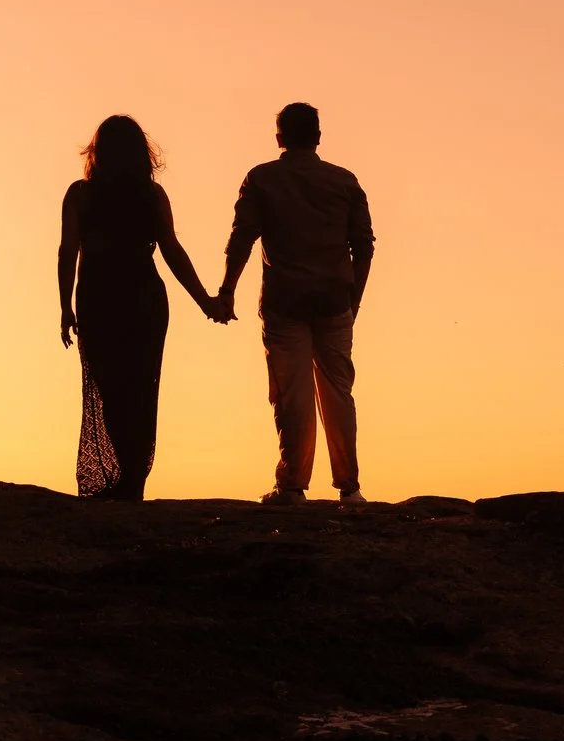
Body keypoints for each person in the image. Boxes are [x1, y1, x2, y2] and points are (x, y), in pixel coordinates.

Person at [213, 102, 374, 506]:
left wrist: (227, 289)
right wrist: (354, 300)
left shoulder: (262, 179)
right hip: (334, 298)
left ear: (279, 138)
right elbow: (363, 246)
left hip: (284, 300)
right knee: (338, 391)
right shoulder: (344, 181)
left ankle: (292, 485)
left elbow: (242, 237)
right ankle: (349, 486)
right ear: (318, 137)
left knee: (291, 394)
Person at [58, 115, 221, 500]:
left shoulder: (81, 195)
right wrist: (204, 301)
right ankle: (133, 478)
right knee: (139, 389)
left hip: (101, 297)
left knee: (112, 390)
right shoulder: (151, 196)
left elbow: (68, 251)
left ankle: (129, 478)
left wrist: (65, 307)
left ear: (97, 152)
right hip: (143, 297)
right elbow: (172, 250)